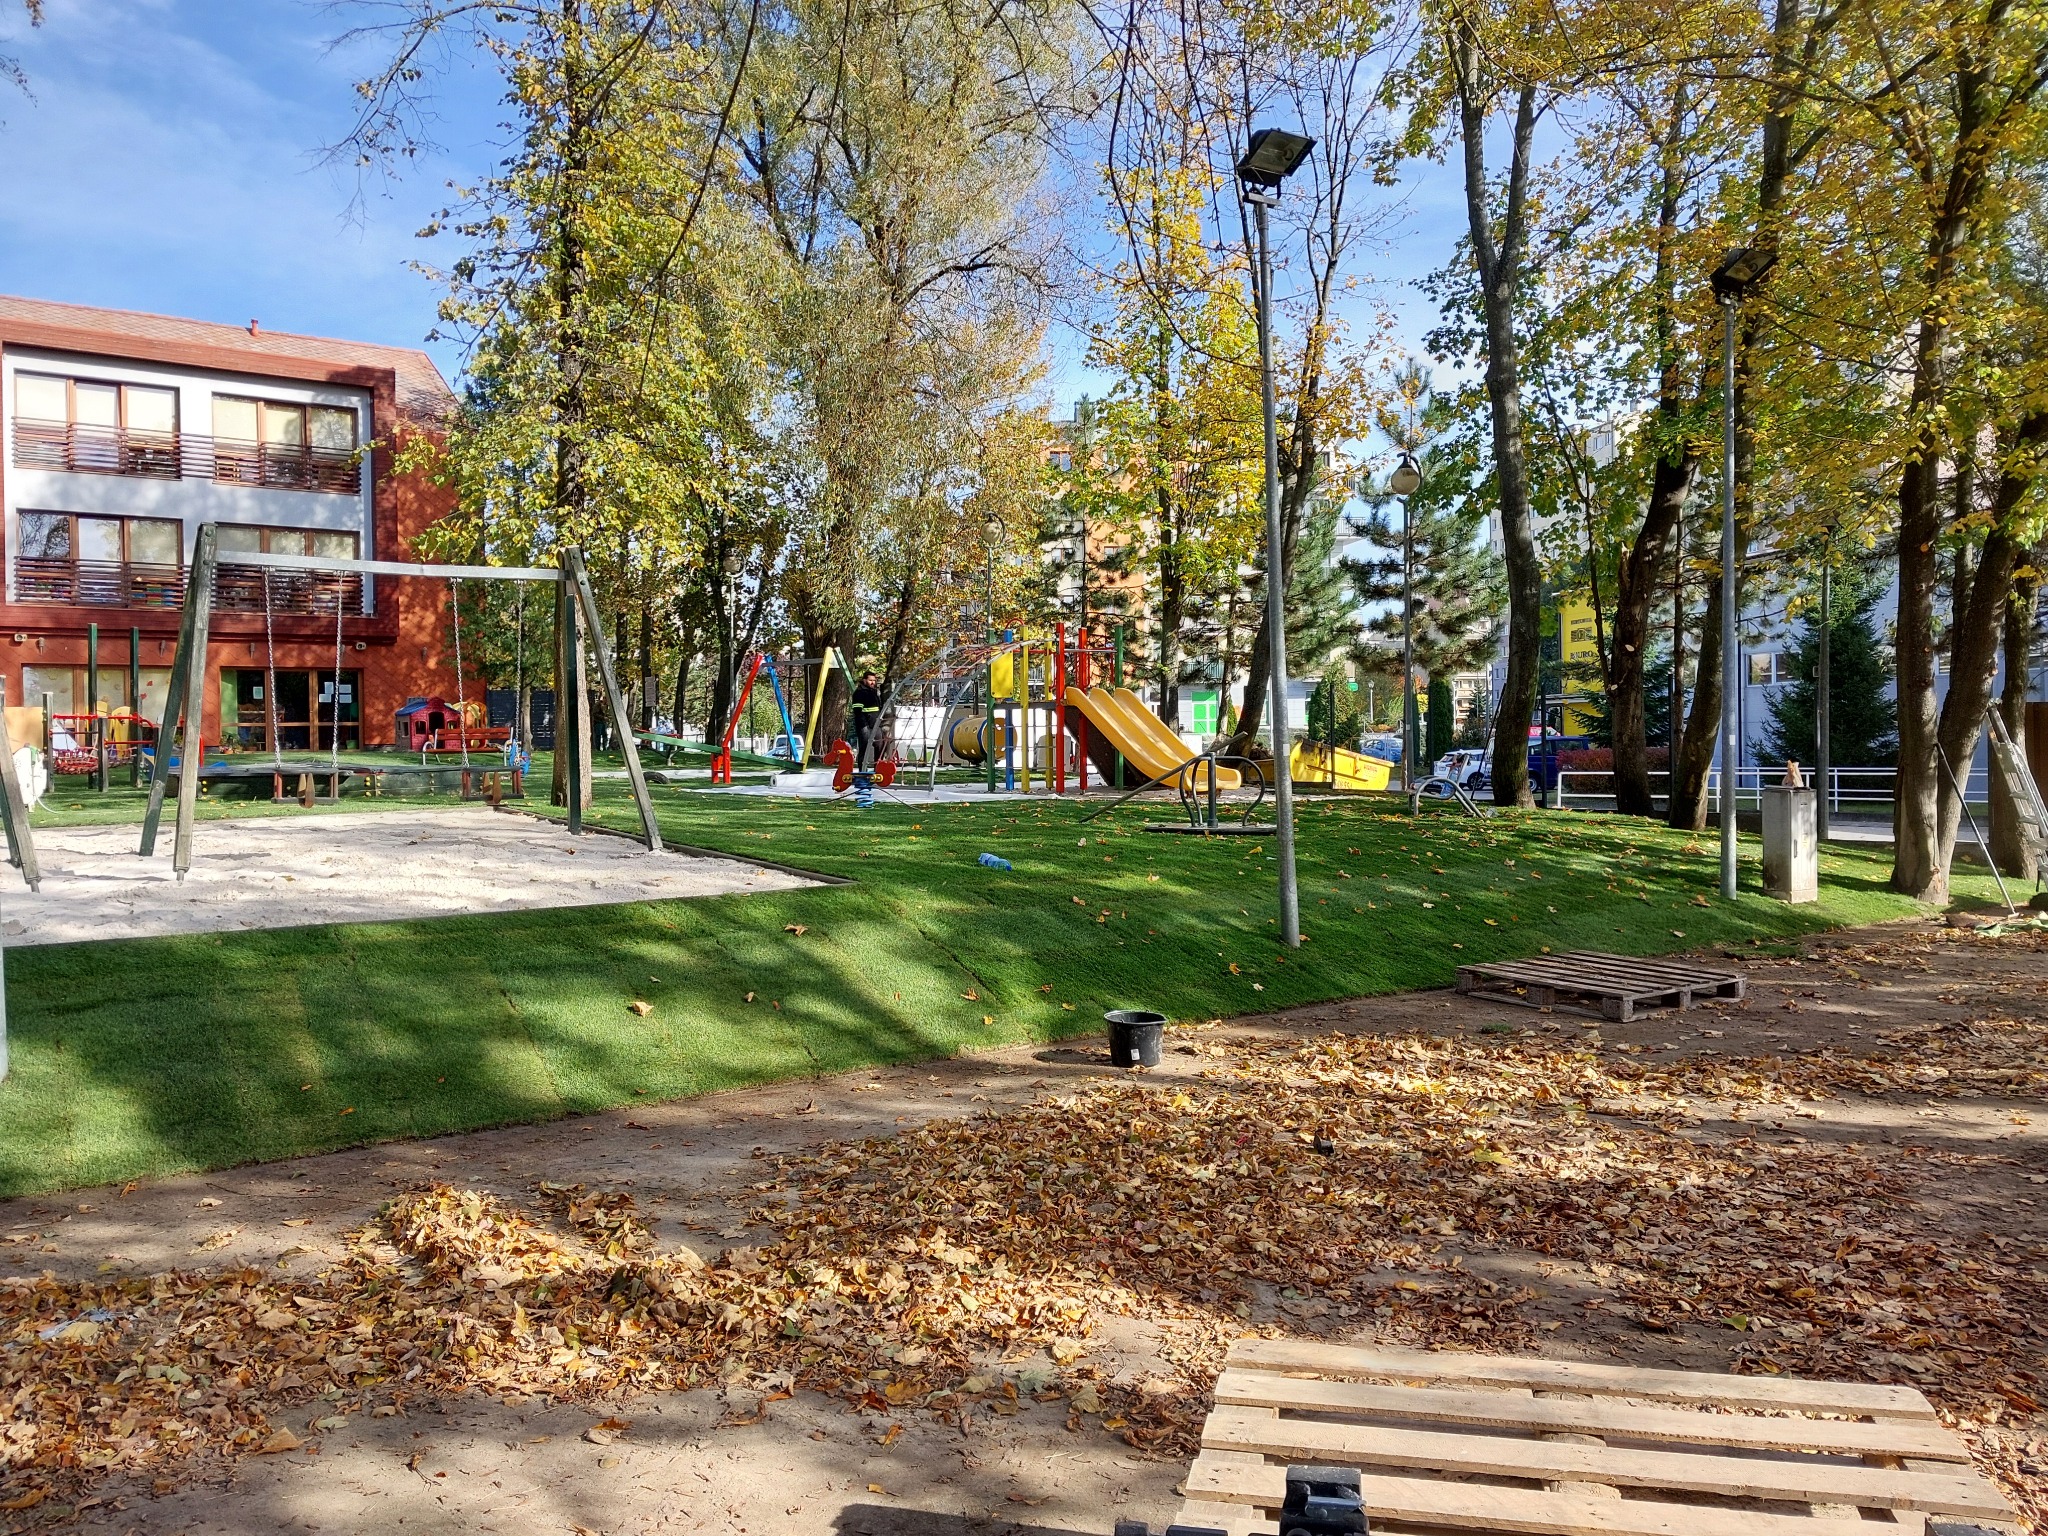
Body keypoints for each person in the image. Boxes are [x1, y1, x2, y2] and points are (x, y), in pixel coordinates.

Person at [850, 671, 883, 765]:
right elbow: (858, 711)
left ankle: (877, 768)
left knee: (879, 746)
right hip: (865, 726)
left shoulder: (874, 692)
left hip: (875, 725)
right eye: (870, 680)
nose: (872, 682)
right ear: (864, 680)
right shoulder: (859, 693)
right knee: (864, 748)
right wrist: (864, 726)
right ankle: (862, 769)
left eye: (874, 680)